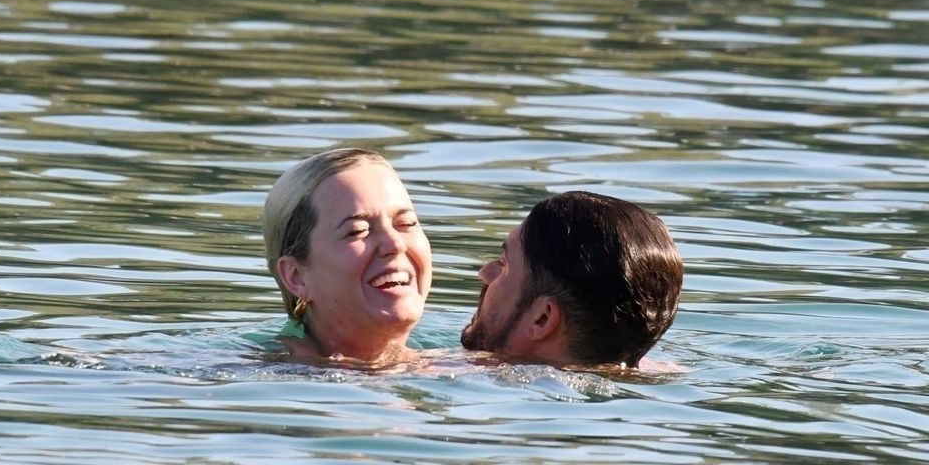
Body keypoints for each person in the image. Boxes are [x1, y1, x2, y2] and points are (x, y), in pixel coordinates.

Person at [461, 191, 682, 370]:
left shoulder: (463, 373)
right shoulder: (650, 374)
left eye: (504, 263)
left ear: (542, 318)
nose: (485, 273)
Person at [262, 147, 431, 367]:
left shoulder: (455, 366)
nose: (395, 244)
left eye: (406, 223)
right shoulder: (258, 373)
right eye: (357, 231)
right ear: (296, 277)